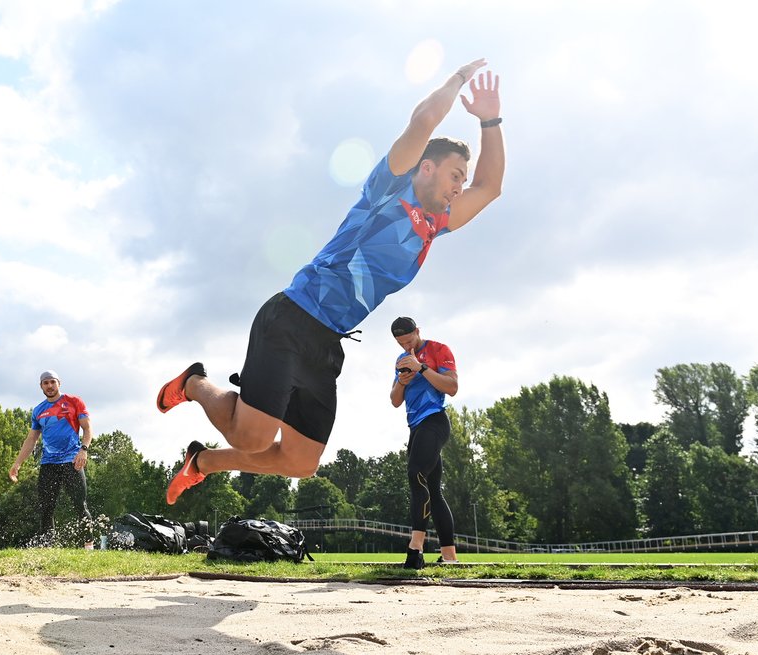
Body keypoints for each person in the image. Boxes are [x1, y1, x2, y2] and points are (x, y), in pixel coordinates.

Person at [157, 59, 504, 504]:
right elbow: (422, 121)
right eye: (456, 175)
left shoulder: (436, 224)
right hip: (293, 318)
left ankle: (201, 462)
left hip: (328, 343)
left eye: (463, 180)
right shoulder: (390, 187)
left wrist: (491, 120)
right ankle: (194, 384)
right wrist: (457, 80)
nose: (461, 187)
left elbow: (490, 187)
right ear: (427, 168)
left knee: (301, 462)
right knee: (252, 438)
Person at [389, 316, 458, 569]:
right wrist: (401, 381)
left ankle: (415, 547)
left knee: (415, 473)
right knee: (433, 491)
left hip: (435, 421)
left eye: (409, 340)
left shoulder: (439, 350)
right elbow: (396, 401)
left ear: (418, 331)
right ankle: (450, 556)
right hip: (415, 427)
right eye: (400, 343)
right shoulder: (400, 360)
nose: (406, 346)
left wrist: (422, 368)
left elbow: (452, 387)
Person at [9, 370, 94, 543]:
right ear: (41, 386)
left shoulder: (74, 401)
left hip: (72, 460)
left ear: (59, 383)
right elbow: (31, 439)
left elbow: (87, 428)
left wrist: (83, 449)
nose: (49, 386)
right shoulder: (39, 411)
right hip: (48, 463)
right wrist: (17, 464)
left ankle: (89, 546)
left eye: (52, 382)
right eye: (45, 383)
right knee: (46, 508)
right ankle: (48, 546)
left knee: (80, 505)